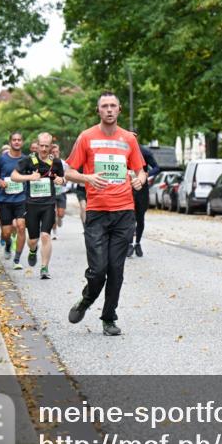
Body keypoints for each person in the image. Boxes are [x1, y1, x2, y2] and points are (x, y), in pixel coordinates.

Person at [63, 92, 147, 336]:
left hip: (123, 212)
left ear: (119, 110)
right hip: (97, 212)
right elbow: (68, 172)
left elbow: (141, 170)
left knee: (116, 270)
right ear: (98, 110)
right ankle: (86, 300)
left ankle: (109, 318)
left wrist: (140, 181)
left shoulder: (129, 139)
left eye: (113, 106)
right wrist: (87, 177)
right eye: (104, 106)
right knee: (98, 270)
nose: (109, 110)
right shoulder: (86, 137)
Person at [10, 132, 65, 280]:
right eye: (41, 146)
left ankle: (44, 267)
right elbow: (14, 176)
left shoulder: (56, 162)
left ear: (51, 146)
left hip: (48, 204)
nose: (44, 149)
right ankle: (33, 250)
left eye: (47, 146)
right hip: (32, 205)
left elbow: (62, 178)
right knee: (33, 240)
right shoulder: (28, 160)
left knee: (46, 235)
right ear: (37, 145)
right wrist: (29, 177)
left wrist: (61, 180)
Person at [0, 132, 28, 269]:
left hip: (21, 198)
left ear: (22, 142)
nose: (17, 142)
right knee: (6, 232)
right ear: (10, 142)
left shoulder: (26, 159)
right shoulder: (1, 159)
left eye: (19, 140)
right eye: (14, 140)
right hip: (5, 199)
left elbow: (31, 175)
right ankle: (7, 244)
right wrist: (0, 181)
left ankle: (17, 259)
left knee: (20, 226)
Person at [128, 140, 160, 257]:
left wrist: (148, 174)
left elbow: (157, 168)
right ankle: (129, 244)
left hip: (142, 189)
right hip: (127, 188)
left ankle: (137, 243)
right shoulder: (123, 151)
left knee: (140, 217)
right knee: (129, 217)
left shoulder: (145, 152)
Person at [51, 143, 68, 239]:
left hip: (61, 191)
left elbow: (68, 175)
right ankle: (54, 232)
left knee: (60, 214)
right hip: (51, 192)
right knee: (53, 214)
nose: (55, 153)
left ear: (59, 152)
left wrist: (64, 181)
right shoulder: (48, 163)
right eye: (53, 152)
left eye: (56, 151)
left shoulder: (64, 163)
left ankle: (60, 219)